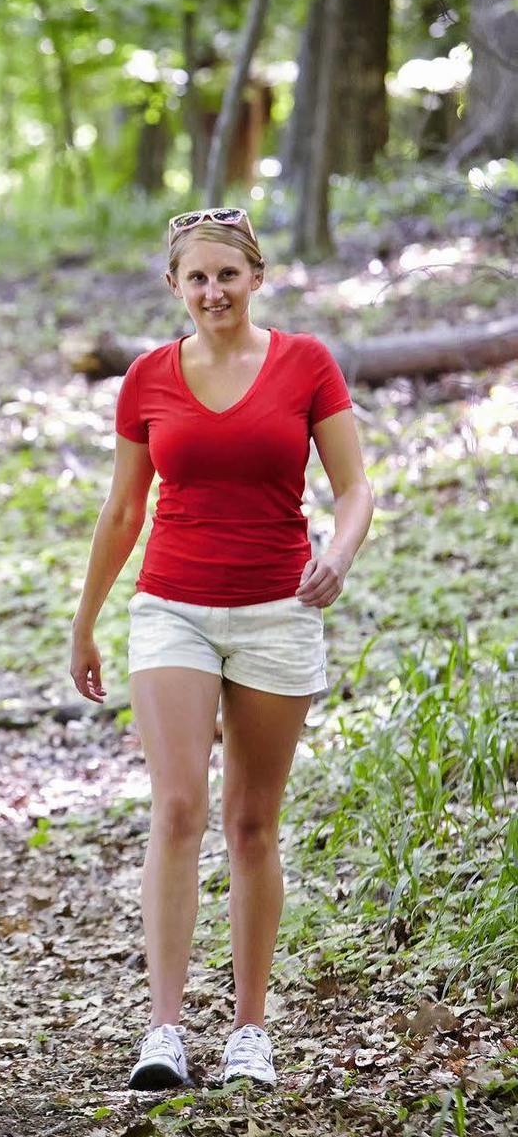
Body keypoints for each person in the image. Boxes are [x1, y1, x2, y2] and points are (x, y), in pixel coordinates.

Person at [70, 207, 372, 1091]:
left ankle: (248, 1031)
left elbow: (353, 489)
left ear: (256, 276)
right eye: (195, 278)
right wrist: (85, 618)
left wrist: (338, 554)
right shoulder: (147, 378)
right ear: (173, 287)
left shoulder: (305, 363)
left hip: (279, 608)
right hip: (173, 607)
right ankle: (162, 1029)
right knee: (176, 810)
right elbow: (124, 510)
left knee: (250, 824)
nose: (212, 292)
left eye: (227, 275)